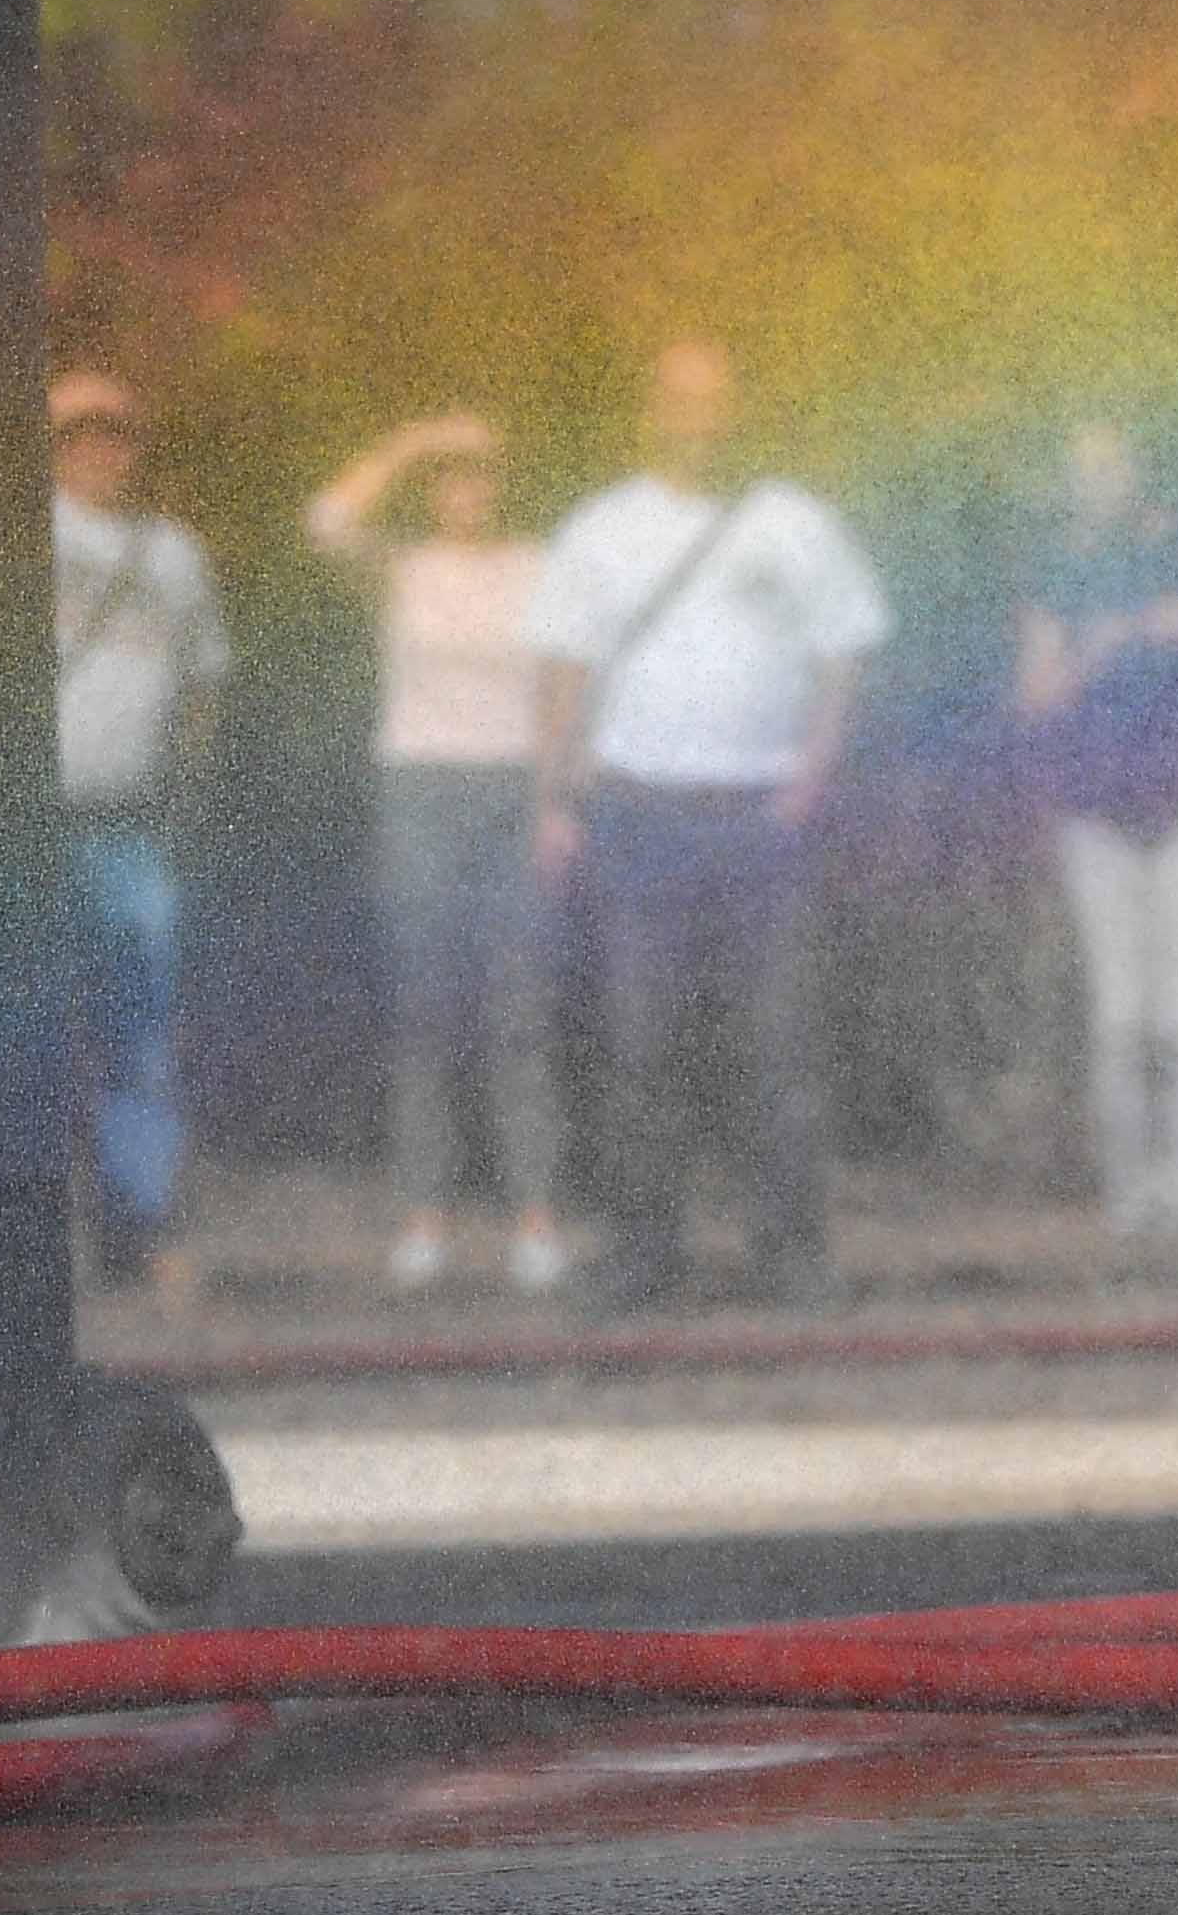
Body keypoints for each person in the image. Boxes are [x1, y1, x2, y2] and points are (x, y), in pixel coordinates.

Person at [526, 341, 887, 1308]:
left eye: (715, 401)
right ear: (651, 410)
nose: (699, 418)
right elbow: (562, 672)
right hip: (639, 815)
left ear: (738, 412)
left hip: (760, 818)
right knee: (641, 1045)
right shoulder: (599, 530)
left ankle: (792, 1255)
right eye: (680, 400)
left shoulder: (797, 522)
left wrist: (809, 783)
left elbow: (843, 659)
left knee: (779, 1044)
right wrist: (555, 802)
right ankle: (643, 1256)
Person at [309, 410, 573, 1296]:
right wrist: (409, 441)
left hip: (510, 792)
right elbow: (326, 523)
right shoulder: (404, 570)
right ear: (432, 490)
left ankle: (535, 1220)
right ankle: (426, 1220)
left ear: (502, 487)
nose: (467, 492)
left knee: (518, 1014)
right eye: (450, 477)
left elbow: (565, 686)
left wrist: (554, 800)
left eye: (481, 475)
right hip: (419, 792)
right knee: (425, 1016)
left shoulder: (539, 566)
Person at [1017, 414, 1178, 1252]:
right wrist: (1102, 646)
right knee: (1121, 1016)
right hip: (1098, 818)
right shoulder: (1058, 569)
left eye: (1112, 461)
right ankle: (1132, 1206)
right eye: (1083, 465)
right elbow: (1036, 695)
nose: (1099, 479)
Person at [50, 371, 232, 1302]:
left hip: (130, 828)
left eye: (115, 434)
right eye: (78, 433)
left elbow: (203, 683)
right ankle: (33, 1244)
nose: (98, 450)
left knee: (140, 1034)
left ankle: (147, 1223)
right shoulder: (15, 536)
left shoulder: (174, 555)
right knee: (24, 1035)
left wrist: (180, 801)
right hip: (27, 831)